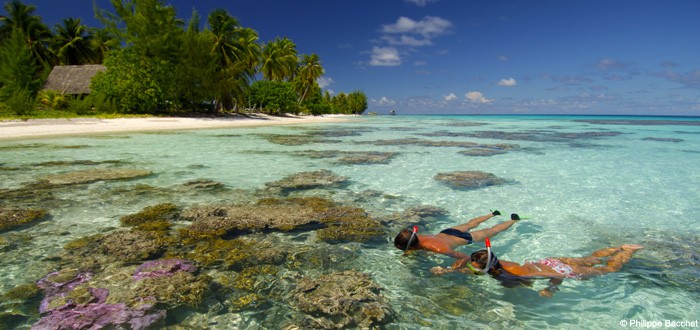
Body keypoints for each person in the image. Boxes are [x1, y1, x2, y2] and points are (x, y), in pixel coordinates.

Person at [432, 243, 644, 297]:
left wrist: (550, 290)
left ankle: (626, 252)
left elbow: (557, 275)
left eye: (474, 266)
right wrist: (448, 271)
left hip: (560, 269)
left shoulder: (518, 273)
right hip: (548, 261)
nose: (470, 267)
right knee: (589, 259)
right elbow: (467, 262)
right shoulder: (494, 261)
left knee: (608, 270)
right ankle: (616, 247)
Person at [393, 210, 522, 269]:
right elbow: (415, 245)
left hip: (462, 238)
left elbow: (465, 257)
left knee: (493, 231)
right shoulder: (416, 236)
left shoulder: (438, 249)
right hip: (447, 232)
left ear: (411, 246)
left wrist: (448, 269)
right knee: (471, 223)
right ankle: (492, 214)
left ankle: (513, 220)